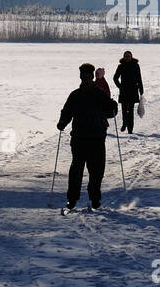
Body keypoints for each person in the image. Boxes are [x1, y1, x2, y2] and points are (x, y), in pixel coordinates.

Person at [57, 63, 119, 211]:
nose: (86, 78)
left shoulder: (87, 95)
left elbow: (110, 112)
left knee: (87, 171)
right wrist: (62, 122)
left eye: (87, 76)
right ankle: (82, 200)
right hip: (87, 138)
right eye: (84, 76)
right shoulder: (86, 94)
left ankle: (84, 200)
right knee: (86, 170)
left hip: (89, 138)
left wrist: (113, 107)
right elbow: (67, 111)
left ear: (91, 77)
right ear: (83, 77)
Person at [113, 50, 144, 134]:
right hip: (124, 90)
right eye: (126, 56)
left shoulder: (136, 66)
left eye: (128, 56)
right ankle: (124, 123)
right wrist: (120, 86)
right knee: (123, 109)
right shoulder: (121, 66)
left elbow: (139, 78)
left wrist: (141, 89)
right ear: (124, 57)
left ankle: (130, 129)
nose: (127, 57)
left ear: (131, 57)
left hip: (133, 90)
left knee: (130, 110)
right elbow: (115, 78)